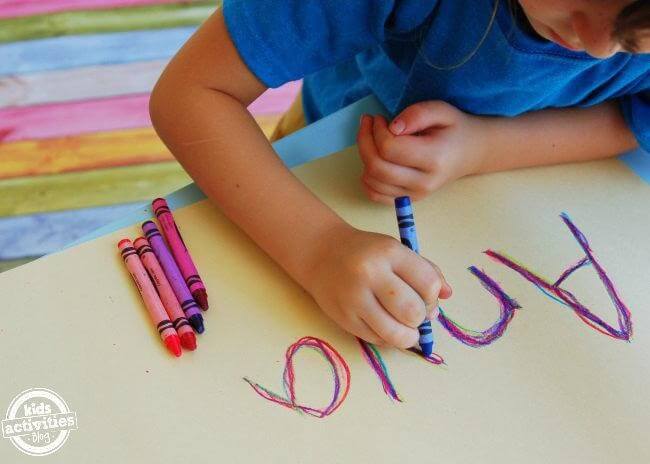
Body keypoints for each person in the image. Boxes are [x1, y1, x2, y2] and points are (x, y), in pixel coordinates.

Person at [149, 0, 649, 350]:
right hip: (320, 153)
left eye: (637, 38)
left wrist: (485, 148)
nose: (599, 46)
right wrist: (317, 246)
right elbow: (191, 94)